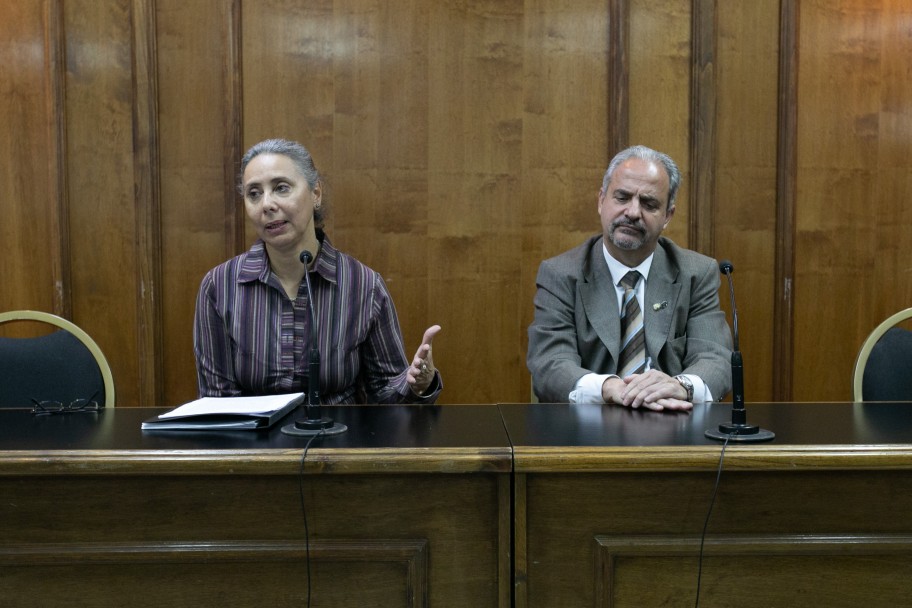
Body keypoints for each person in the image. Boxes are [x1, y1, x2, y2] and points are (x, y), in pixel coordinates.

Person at [194, 138, 442, 404]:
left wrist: (418, 383)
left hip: (340, 442)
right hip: (255, 444)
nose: (266, 204)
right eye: (254, 193)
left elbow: (385, 393)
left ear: (316, 193)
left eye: (281, 188)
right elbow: (218, 401)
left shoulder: (363, 285)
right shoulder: (219, 286)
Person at [527, 145, 731, 410]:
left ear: (668, 215)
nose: (633, 212)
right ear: (601, 201)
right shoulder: (561, 274)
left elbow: (715, 359)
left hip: (672, 431)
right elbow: (550, 364)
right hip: (585, 435)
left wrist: (681, 386)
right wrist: (610, 388)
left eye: (649, 203)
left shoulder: (696, 273)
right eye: (622, 197)